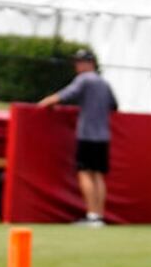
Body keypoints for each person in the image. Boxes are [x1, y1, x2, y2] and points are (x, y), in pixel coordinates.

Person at [38, 48, 117, 227]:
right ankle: (99, 216)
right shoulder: (103, 82)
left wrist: (43, 103)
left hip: (87, 135)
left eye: (80, 62)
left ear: (89, 63)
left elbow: (64, 95)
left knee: (85, 172)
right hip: (103, 136)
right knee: (98, 175)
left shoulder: (84, 80)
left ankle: (92, 216)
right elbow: (113, 105)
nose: (77, 66)